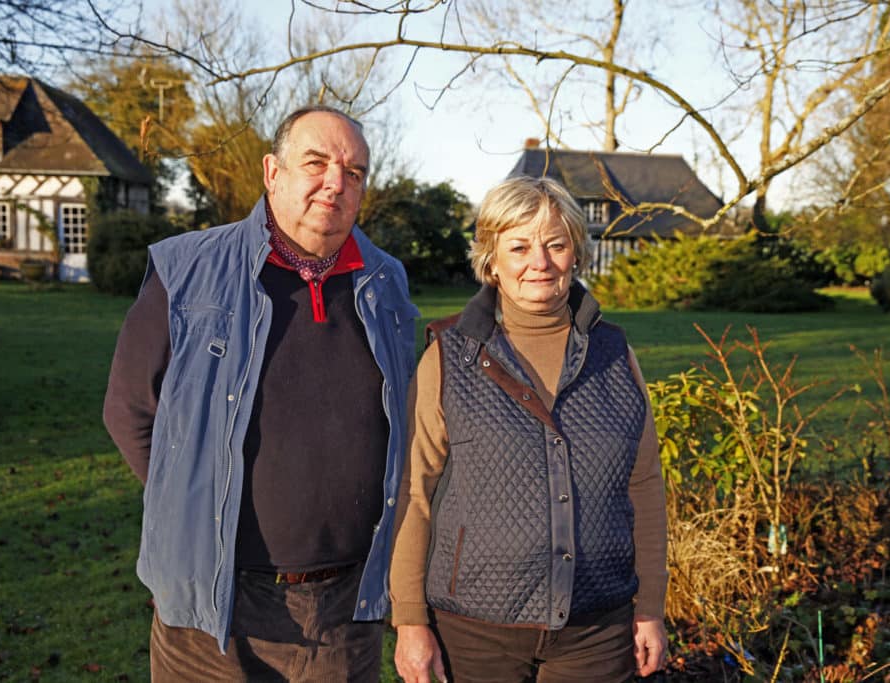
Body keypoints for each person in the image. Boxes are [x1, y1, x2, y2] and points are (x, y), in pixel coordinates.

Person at [103, 105, 419, 682]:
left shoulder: (387, 282)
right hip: (214, 605)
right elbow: (129, 410)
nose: (335, 183)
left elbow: (405, 420)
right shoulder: (187, 268)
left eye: (354, 172)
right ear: (272, 172)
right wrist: (196, 511)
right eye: (316, 163)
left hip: (345, 610)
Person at [389, 176, 670, 683]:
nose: (538, 262)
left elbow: (644, 485)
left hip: (596, 632)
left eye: (555, 244)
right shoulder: (448, 356)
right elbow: (416, 491)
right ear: (491, 261)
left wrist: (650, 606)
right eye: (518, 247)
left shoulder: (615, 354)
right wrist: (410, 620)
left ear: (576, 255)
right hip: (474, 633)